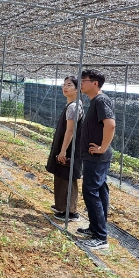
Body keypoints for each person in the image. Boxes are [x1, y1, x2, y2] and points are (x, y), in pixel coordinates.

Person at [76, 69, 115, 250]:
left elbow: (110, 124)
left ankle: (101, 237)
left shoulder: (100, 100)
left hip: (97, 157)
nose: (80, 84)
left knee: (91, 191)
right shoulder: (95, 101)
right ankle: (95, 228)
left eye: (83, 80)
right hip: (94, 157)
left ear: (95, 83)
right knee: (99, 191)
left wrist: (102, 148)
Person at [45, 76, 84, 222]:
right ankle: (61, 206)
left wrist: (63, 151)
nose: (65, 87)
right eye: (64, 85)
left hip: (69, 149)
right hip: (67, 147)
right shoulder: (72, 105)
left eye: (69, 85)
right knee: (61, 176)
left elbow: (70, 131)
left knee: (67, 177)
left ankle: (70, 212)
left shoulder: (74, 107)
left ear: (77, 89)